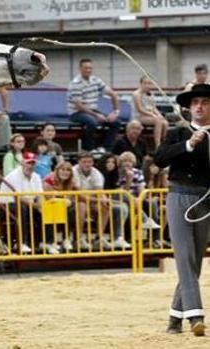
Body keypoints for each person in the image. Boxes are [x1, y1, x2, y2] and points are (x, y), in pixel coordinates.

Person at [154, 84, 210, 336]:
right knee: (185, 258)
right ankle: (195, 315)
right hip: (178, 196)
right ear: (189, 106)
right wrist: (188, 145)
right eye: (196, 102)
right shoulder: (178, 132)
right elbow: (159, 159)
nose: (199, 106)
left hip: (205, 201)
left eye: (205, 102)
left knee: (194, 261)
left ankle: (175, 317)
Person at [72, 152, 130, 249]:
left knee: (105, 205)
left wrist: (104, 199)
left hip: (91, 201)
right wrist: (98, 199)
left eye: (90, 162)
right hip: (74, 201)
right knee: (81, 205)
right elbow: (79, 196)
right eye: (84, 162)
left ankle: (99, 238)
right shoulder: (74, 171)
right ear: (79, 162)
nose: (87, 164)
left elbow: (100, 192)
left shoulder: (96, 173)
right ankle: (79, 238)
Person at [0, 152, 53, 254]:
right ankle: (22, 242)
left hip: (28, 203)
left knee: (47, 207)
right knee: (22, 208)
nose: (30, 166)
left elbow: (40, 195)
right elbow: (19, 197)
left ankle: (47, 242)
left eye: (33, 163)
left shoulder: (36, 176)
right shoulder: (14, 176)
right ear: (22, 163)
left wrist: (41, 205)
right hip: (6, 205)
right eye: (28, 163)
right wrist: (36, 205)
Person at [67, 58, 121, 151]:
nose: (88, 70)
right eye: (86, 68)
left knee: (116, 123)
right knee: (92, 122)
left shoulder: (96, 80)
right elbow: (79, 105)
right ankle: (89, 149)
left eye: (90, 68)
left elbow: (113, 94)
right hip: (76, 112)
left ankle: (105, 148)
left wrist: (115, 112)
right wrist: (97, 115)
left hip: (92, 110)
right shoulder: (75, 83)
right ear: (80, 69)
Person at [43, 161, 82, 251]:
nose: (65, 172)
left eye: (68, 170)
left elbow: (72, 198)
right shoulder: (49, 179)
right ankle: (50, 242)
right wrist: (64, 200)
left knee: (71, 209)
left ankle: (66, 239)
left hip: (61, 206)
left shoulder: (70, 182)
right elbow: (48, 197)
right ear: (57, 170)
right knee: (52, 209)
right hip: (46, 206)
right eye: (63, 169)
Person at [131, 76, 169, 148]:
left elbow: (154, 108)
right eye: (145, 83)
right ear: (141, 84)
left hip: (149, 116)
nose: (147, 85)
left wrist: (159, 114)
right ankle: (158, 145)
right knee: (158, 121)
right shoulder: (136, 94)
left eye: (149, 83)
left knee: (165, 122)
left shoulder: (150, 94)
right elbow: (140, 109)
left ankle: (164, 141)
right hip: (139, 116)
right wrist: (152, 115)